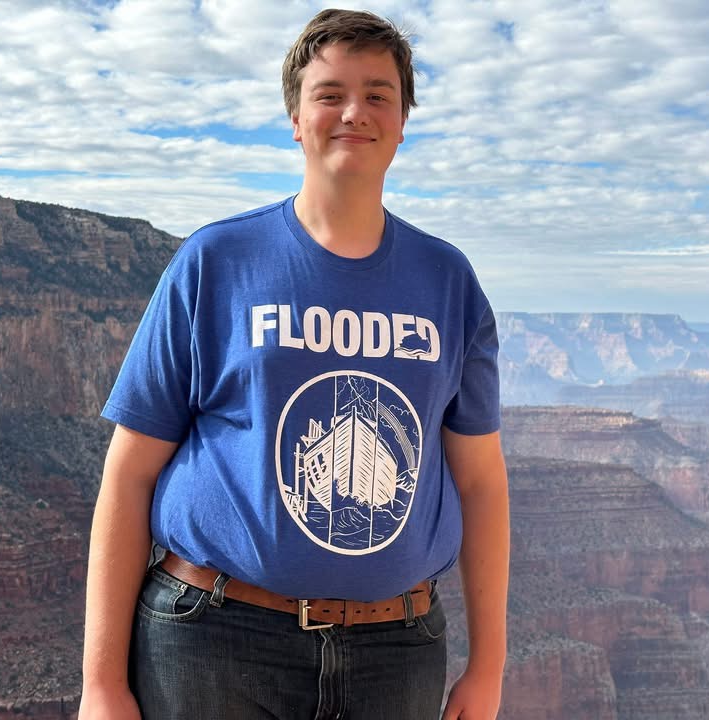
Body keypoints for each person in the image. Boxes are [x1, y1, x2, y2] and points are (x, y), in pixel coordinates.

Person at [78, 8, 509, 720]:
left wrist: (488, 666)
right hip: (215, 642)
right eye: (329, 94)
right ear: (296, 120)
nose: (354, 112)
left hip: (396, 651)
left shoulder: (448, 283)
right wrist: (100, 684)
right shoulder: (216, 262)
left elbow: (481, 482)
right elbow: (129, 471)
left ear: (403, 122)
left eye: (377, 95)